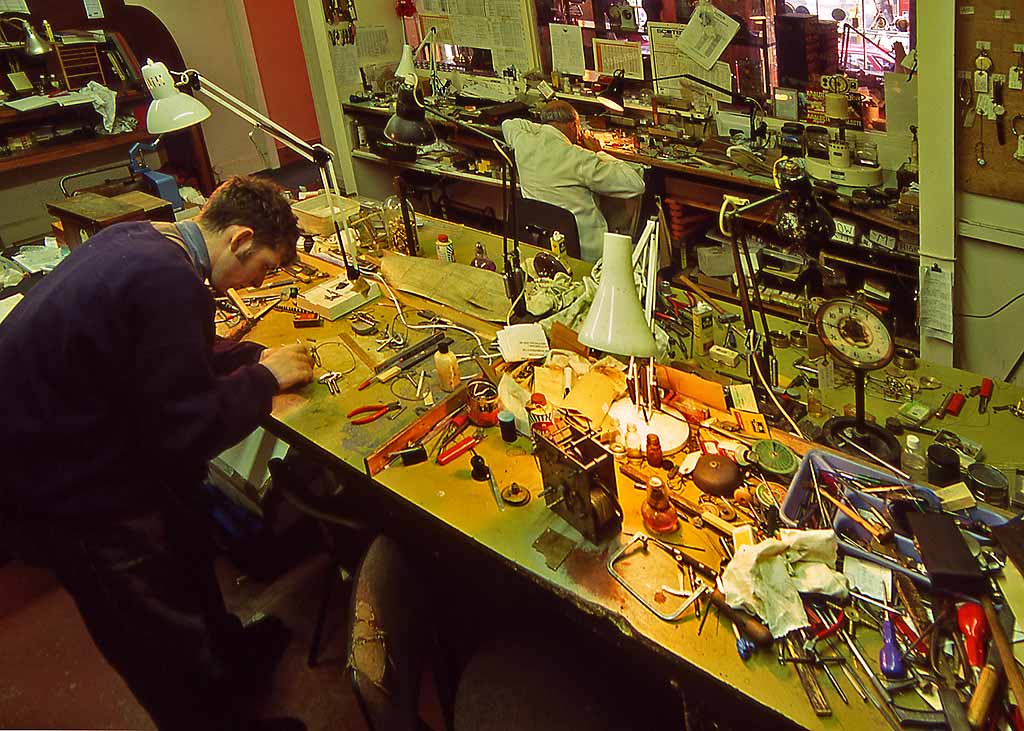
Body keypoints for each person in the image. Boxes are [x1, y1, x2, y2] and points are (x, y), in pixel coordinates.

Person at [0, 176, 316, 731]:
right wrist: (263, 378)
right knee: (152, 629)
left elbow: (159, 354)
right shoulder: (171, 282)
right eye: (261, 268)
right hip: (63, 484)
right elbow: (186, 431)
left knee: (187, 543)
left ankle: (231, 659)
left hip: (76, 432)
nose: (255, 283)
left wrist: (245, 354)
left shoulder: (145, 240)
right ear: (240, 241)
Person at [501, 100, 646, 262]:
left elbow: (508, 124)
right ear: (573, 126)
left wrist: (546, 129)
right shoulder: (578, 158)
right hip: (587, 253)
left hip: (542, 241)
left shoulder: (523, 141)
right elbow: (635, 184)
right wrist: (599, 152)